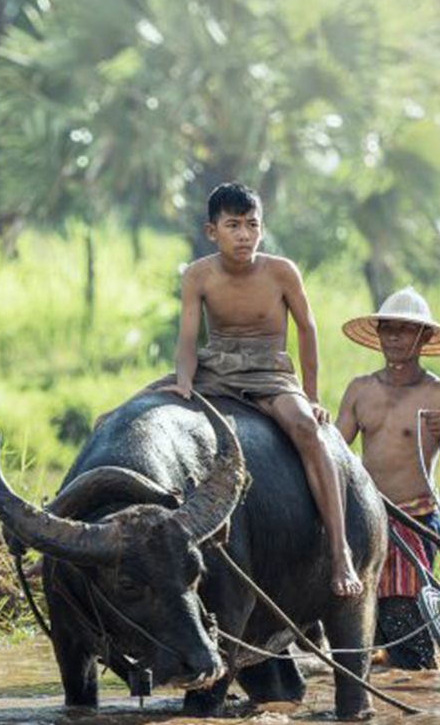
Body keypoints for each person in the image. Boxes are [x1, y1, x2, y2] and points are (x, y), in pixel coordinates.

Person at [156, 181, 362, 597]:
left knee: (306, 429)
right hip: (216, 367)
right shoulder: (198, 274)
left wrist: (311, 394)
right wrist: (182, 380)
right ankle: (72, 541)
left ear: (262, 229)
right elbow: (188, 340)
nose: (244, 235)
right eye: (233, 225)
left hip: (269, 370)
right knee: (127, 413)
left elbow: (307, 330)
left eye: (252, 225)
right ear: (212, 231)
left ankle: (341, 553)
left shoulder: (281, 271)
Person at [334, 286, 440, 667]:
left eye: (404, 330)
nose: (393, 338)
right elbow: (335, 453)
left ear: (425, 337)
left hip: (414, 521)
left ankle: (420, 671)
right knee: (362, 622)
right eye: (387, 329)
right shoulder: (361, 390)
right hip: (367, 519)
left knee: (405, 618)